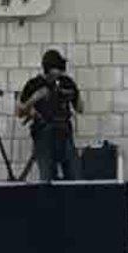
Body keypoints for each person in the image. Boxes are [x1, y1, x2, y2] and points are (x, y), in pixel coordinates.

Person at [16, 48, 82, 181]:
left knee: (76, 176)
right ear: (50, 68)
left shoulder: (66, 82)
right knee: (48, 178)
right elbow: (19, 112)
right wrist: (34, 99)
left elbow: (80, 108)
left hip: (64, 133)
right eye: (58, 68)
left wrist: (74, 94)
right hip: (44, 134)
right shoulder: (33, 84)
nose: (61, 71)